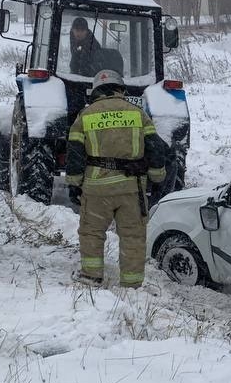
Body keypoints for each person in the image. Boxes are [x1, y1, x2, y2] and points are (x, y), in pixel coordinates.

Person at [65, 68, 168, 287]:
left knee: (92, 233)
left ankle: (91, 277)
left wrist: (74, 185)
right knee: (132, 237)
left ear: (96, 92)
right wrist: (157, 178)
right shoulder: (138, 113)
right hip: (131, 190)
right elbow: (156, 149)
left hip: (96, 191)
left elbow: (74, 153)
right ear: (120, 89)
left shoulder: (85, 115)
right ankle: (132, 285)